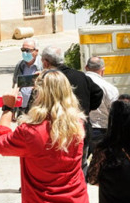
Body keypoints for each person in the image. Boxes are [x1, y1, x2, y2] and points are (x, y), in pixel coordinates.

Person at [0, 70, 91, 203]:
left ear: (39, 94)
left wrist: (7, 108)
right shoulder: (77, 125)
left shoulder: (29, 131)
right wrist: (50, 74)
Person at [40, 45, 103, 174]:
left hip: (54, 133)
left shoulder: (47, 80)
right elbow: (98, 93)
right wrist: (85, 109)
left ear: (45, 63)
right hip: (80, 130)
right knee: (80, 167)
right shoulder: (80, 76)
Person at [84, 56, 119, 150]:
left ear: (86, 67)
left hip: (80, 128)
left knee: (81, 162)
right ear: (103, 70)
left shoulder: (78, 83)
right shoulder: (110, 88)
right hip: (101, 129)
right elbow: (114, 112)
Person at [11, 38, 40, 115]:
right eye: (23, 50)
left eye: (27, 50)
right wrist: (13, 110)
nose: (25, 53)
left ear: (36, 51)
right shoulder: (20, 65)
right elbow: (15, 87)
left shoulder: (43, 65)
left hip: (38, 110)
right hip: (22, 109)